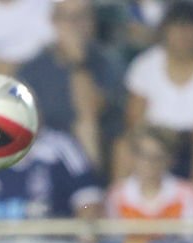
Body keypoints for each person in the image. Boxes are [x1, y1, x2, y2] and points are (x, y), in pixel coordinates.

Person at [113, 1, 193, 211]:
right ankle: (118, 214)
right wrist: (161, 138)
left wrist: (184, 136)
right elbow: (134, 121)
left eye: (190, 28)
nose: (183, 35)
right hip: (157, 140)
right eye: (177, 27)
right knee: (123, 146)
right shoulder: (145, 65)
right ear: (165, 31)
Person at [17, 0, 125, 169]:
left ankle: (90, 187)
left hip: (93, 145)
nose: (74, 24)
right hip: (47, 147)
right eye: (66, 18)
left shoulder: (106, 62)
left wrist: (77, 63)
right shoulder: (34, 67)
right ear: (54, 22)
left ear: (92, 21)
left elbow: (90, 110)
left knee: (85, 127)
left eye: (81, 16)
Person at [106, 126, 193, 219]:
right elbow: (112, 235)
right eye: (144, 156)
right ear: (133, 157)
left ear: (169, 160)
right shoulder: (117, 195)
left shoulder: (188, 195)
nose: (149, 163)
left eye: (157, 157)